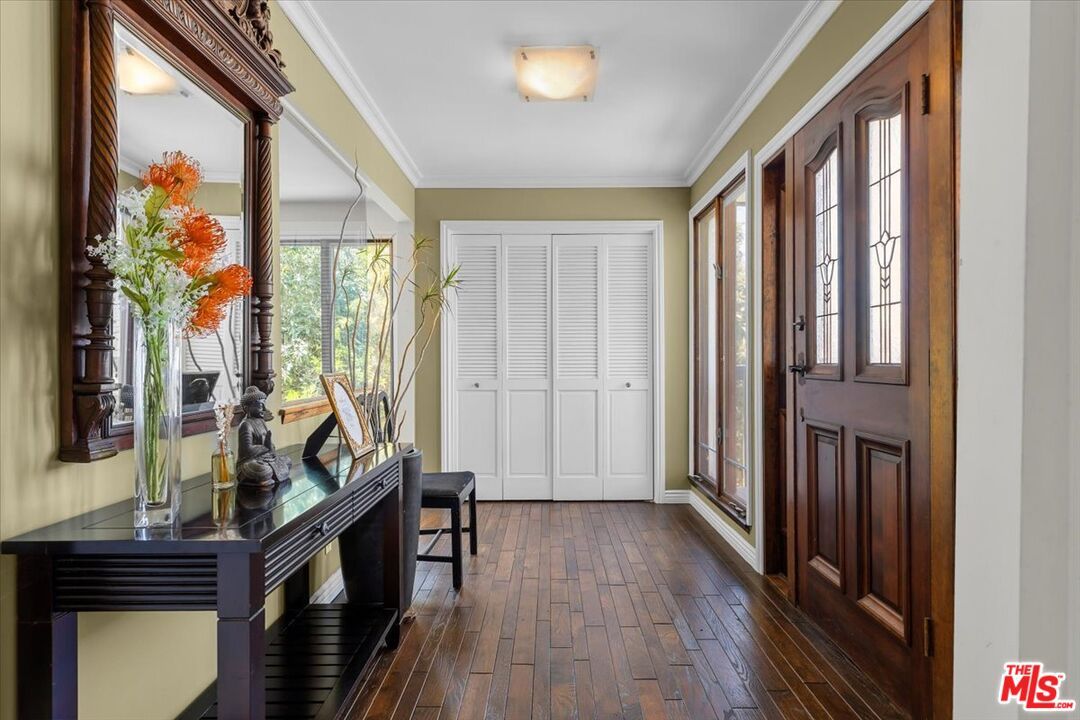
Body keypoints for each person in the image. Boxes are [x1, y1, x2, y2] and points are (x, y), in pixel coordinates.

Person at [235, 386, 292, 487]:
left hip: (265, 458)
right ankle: (263, 478)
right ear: (246, 408)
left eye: (264, 405)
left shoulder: (261, 421)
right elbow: (246, 451)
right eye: (260, 406)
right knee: (262, 470)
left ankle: (267, 477)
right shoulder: (245, 425)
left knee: (287, 460)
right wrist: (265, 447)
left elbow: (269, 445)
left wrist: (270, 447)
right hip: (249, 462)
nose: (264, 409)